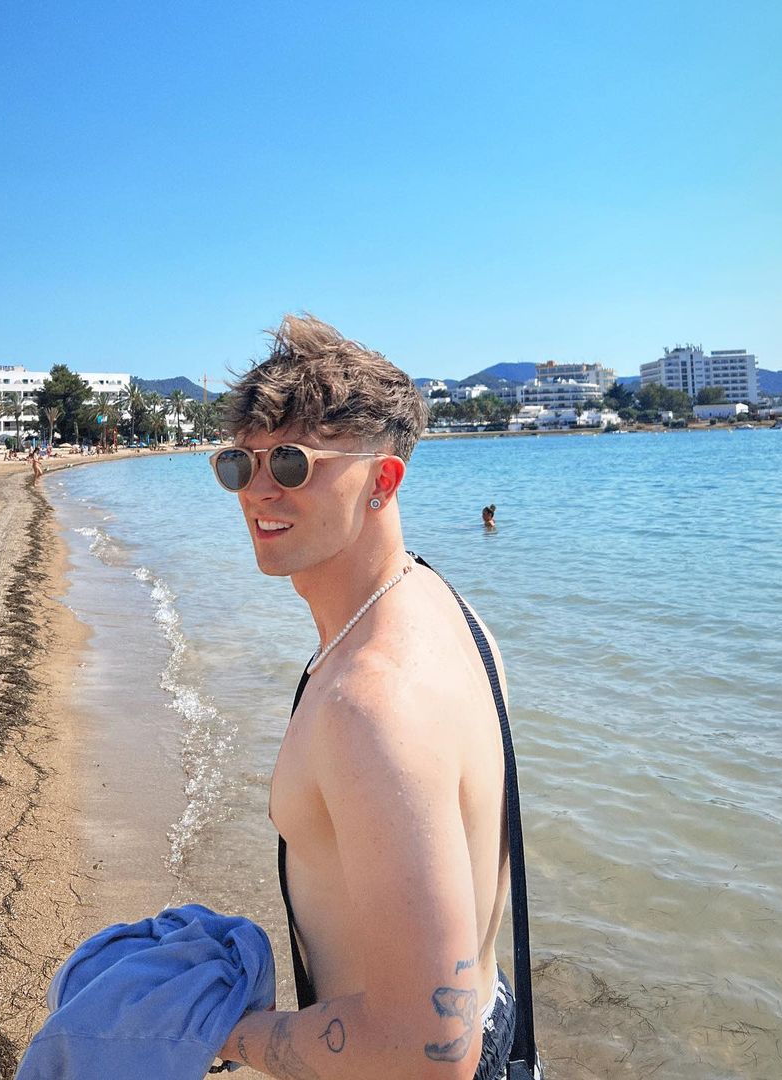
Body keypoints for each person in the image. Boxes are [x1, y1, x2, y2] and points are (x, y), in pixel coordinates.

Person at [210, 315, 539, 1080]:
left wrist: (222, 1033)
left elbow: (423, 1053)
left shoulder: (372, 705)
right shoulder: (443, 606)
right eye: (238, 464)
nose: (259, 490)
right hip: (494, 1018)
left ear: (383, 482)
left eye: (291, 463)